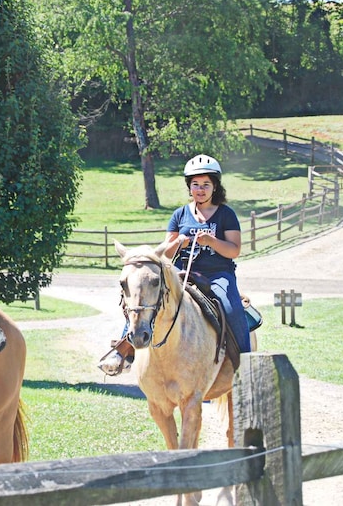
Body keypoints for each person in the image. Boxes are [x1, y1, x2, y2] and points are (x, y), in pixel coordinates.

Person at [98, 154, 252, 375]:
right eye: (196, 185)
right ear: (189, 187)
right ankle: (123, 351)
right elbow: (166, 254)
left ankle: (245, 362)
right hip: (180, 272)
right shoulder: (179, 215)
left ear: (215, 186)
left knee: (230, 305)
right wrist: (178, 242)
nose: (200, 189)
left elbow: (234, 249)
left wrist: (211, 241)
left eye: (206, 185)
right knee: (146, 297)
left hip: (218, 274)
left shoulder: (226, 215)